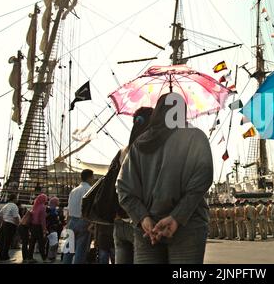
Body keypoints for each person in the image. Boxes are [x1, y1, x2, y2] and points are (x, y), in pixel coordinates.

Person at [117, 93, 214, 264]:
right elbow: (202, 180)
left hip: (148, 231)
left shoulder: (139, 144)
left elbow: (124, 188)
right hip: (188, 227)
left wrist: (143, 218)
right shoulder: (195, 138)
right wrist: (176, 217)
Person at [113, 107, 153, 264]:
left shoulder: (123, 151)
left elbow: (114, 184)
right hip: (141, 222)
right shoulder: (150, 152)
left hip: (119, 221)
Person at [63, 169, 94, 264]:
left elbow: (68, 209)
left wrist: (67, 223)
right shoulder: (90, 190)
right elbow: (91, 209)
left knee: (68, 249)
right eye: (92, 177)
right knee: (81, 250)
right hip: (84, 221)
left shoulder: (73, 190)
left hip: (72, 220)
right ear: (89, 177)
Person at [0, 194, 20, 262]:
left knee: (2, 241)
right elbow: (15, 217)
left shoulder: (6, 205)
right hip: (10, 225)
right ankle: (5, 257)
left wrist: (2, 220)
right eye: (16, 198)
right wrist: (18, 225)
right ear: (14, 199)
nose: (17, 200)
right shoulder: (14, 206)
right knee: (7, 242)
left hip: (4, 224)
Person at [28, 193, 49, 263]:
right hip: (38, 227)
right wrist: (44, 229)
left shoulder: (35, 205)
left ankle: (30, 257)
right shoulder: (42, 207)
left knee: (32, 243)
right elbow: (43, 220)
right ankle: (44, 258)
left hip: (33, 226)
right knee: (41, 243)